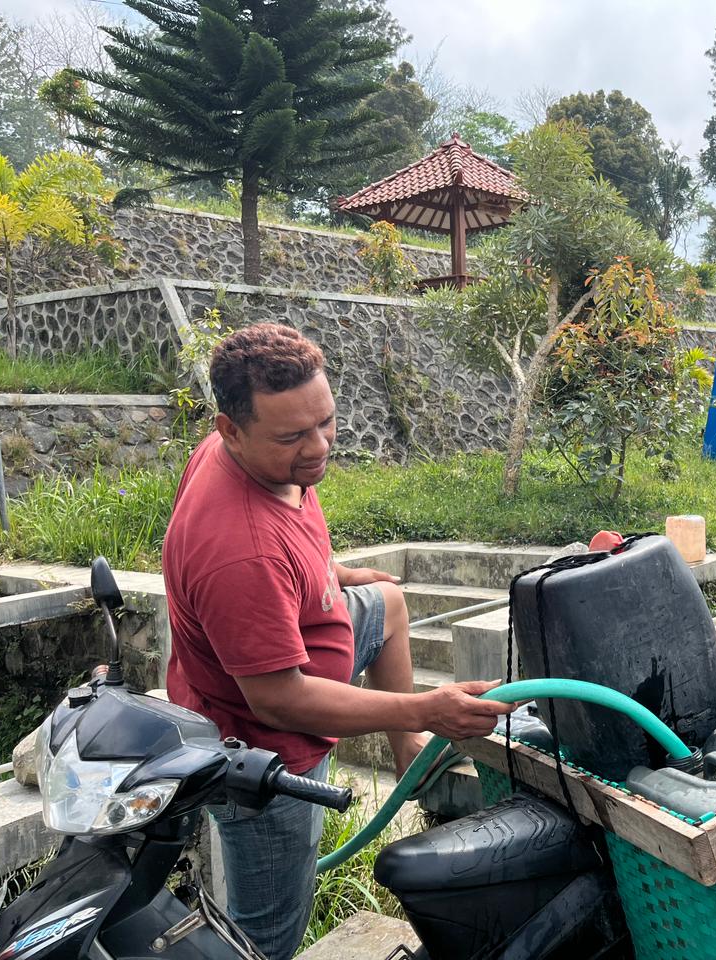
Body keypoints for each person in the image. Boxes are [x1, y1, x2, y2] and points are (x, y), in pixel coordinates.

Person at [162, 323, 513, 960]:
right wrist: (427, 709)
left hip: (303, 647)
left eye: (325, 422)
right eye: (293, 437)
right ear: (229, 429)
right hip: (265, 749)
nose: (318, 448)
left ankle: (409, 755)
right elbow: (278, 700)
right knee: (266, 936)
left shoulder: (265, 458)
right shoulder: (237, 549)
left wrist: (333, 575)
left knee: (386, 601)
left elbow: (290, 540)